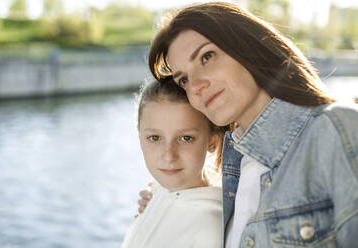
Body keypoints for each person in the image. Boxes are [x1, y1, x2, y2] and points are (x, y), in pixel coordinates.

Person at [138, 2, 358, 247]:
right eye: (184, 79)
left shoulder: (336, 129)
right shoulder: (236, 164)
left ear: (247, 48)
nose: (196, 85)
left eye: (207, 57)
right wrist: (166, 204)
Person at [122, 78, 225, 248]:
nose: (169, 156)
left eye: (186, 138)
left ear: (212, 142)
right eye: (155, 138)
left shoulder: (209, 227)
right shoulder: (159, 192)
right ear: (139, 137)